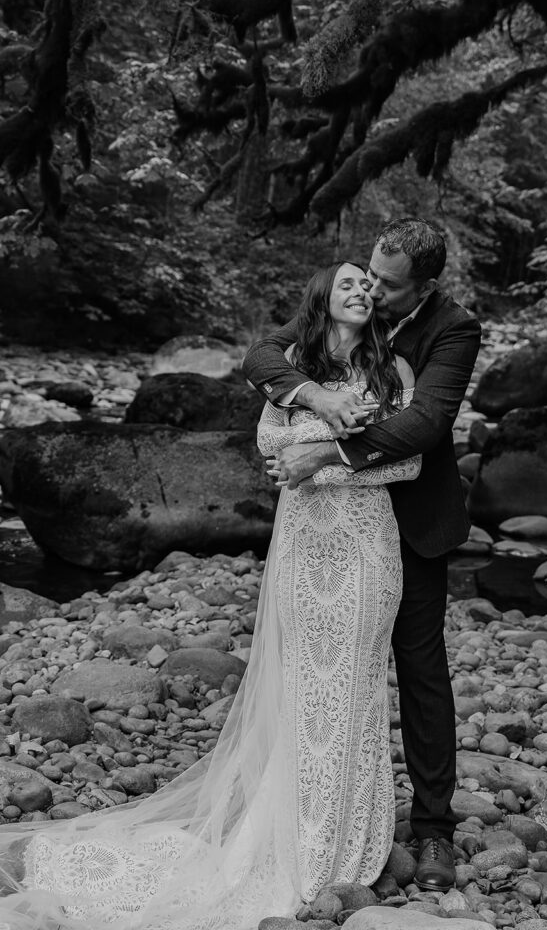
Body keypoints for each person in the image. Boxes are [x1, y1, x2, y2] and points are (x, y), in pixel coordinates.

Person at [0, 261, 420, 930]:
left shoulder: (392, 371)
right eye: (347, 283)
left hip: (366, 543)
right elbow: (265, 444)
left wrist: (332, 456)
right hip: (302, 544)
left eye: (368, 286)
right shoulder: (290, 373)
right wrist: (310, 441)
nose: (361, 291)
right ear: (321, 298)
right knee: (304, 684)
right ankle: (292, 829)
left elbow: (409, 460)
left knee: (356, 683)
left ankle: (342, 842)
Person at [243, 217, 481, 891]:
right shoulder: (339, 307)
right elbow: (263, 358)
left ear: (425, 284)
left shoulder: (452, 328)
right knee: (320, 668)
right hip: (322, 525)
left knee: (420, 666)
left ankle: (433, 830)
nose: (373, 290)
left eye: (388, 284)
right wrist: (312, 394)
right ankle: (313, 809)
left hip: (408, 523)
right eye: (368, 274)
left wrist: (328, 451)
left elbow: (426, 422)